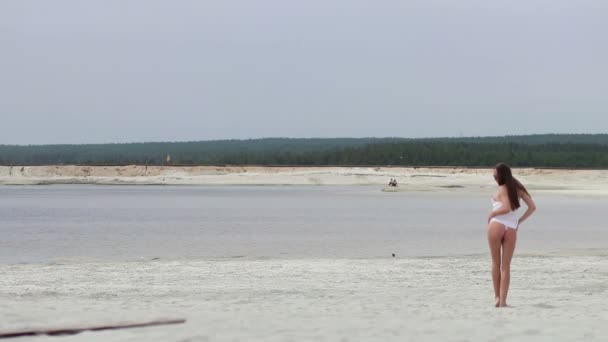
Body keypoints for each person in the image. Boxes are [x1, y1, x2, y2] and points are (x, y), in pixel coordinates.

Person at [487, 163, 536, 307]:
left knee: (496, 263)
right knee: (506, 266)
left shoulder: (502, 189)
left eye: (495, 175)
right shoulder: (519, 189)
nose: (494, 178)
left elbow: (507, 207)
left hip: (497, 225)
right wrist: (519, 221)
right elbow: (532, 207)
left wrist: (493, 213)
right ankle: (503, 302)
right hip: (511, 228)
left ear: (501, 175)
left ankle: (497, 297)